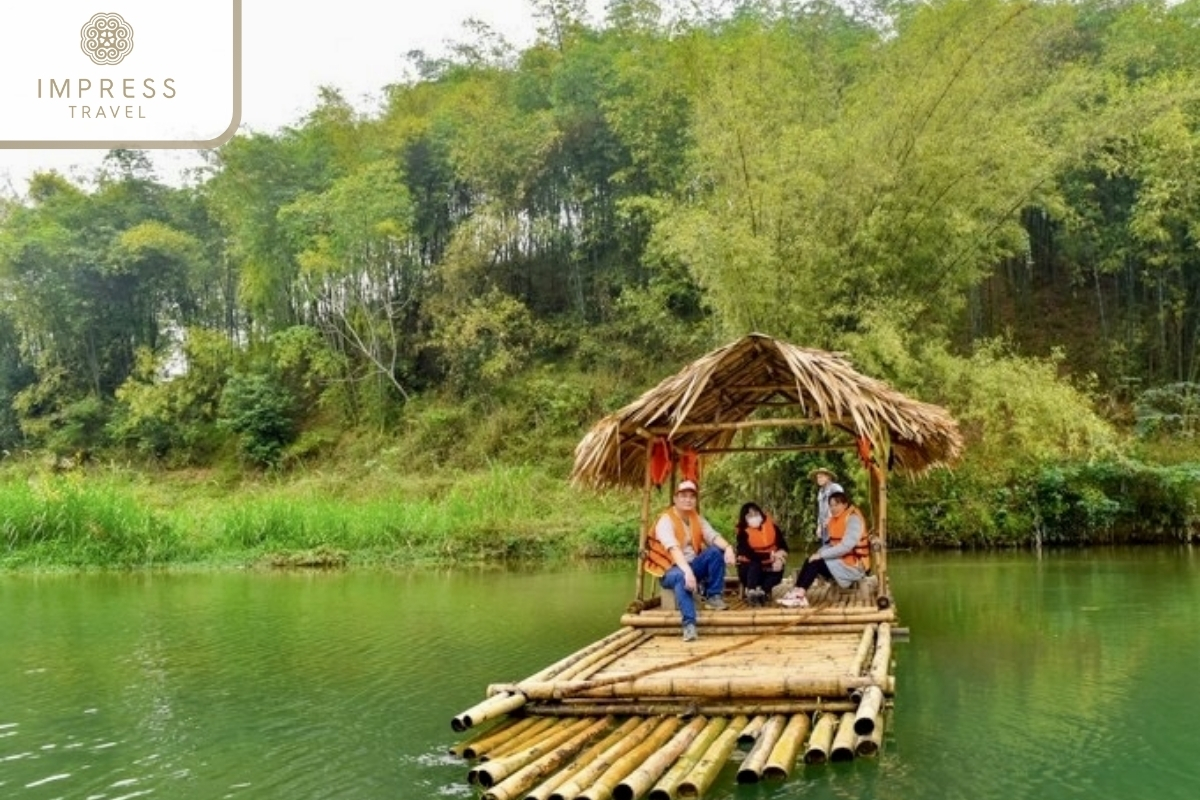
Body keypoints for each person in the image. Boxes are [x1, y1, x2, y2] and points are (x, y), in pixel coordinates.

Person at [643, 480, 736, 642]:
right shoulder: (665, 520)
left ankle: (713, 596)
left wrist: (728, 547)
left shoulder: (696, 518)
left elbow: (712, 536)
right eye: (683, 496)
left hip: (691, 565)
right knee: (680, 576)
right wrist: (687, 572)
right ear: (675, 499)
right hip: (669, 569)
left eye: (692, 496)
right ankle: (689, 625)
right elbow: (673, 548)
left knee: (715, 552)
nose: (688, 500)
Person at [780, 491, 870, 608]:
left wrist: (822, 555)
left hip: (854, 565)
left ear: (845, 504)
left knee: (816, 562)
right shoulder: (834, 519)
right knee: (810, 560)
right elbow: (831, 543)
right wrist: (819, 552)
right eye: (831, 505)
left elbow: (846, 546)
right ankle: (797, 591)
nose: (833, 508)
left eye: (836, 505)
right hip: (841, 560)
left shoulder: (853, 519)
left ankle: (799, 596)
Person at [734, 502, 789, 606]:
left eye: (756, 514)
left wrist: (779, 557)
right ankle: (751, 592)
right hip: (749, 570)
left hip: (769, 566)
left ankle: (763, 592)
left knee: (779, 568)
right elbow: (749, 554)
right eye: (750, 516)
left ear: (760, 514)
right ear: (744, 518)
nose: (754, 517)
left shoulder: (773, 527)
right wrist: (771, 557)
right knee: (755, 564)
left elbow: (784, 547)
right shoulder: (742, 533)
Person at [811, 467, 844, 544]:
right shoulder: (821, 491)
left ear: (828, 477)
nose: (819, 479)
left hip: (836, 526)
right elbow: (820, 511)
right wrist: (819, 526)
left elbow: (841, 506)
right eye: (818, 477)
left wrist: (831, 518)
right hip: (825, 529)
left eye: (821, 477)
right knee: (826, 550)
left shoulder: (835, 488)